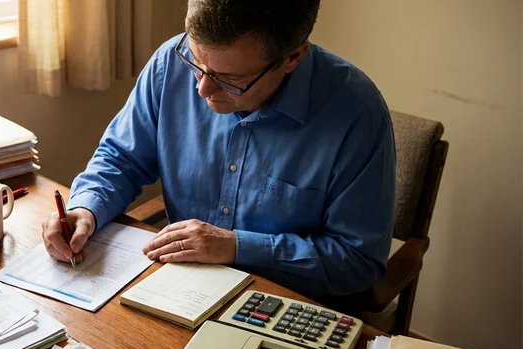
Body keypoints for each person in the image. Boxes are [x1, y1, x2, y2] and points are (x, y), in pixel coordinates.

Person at [41, 0, 395, 299]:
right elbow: (122, 158)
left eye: (229, 79)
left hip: (285, 303)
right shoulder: (170, 63)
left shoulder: (356, 114)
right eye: (196, 62)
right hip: (177, 288)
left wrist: (237, 246)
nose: (203, 90)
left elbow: (358, 262)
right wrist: (86, 207)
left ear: (293, 57)